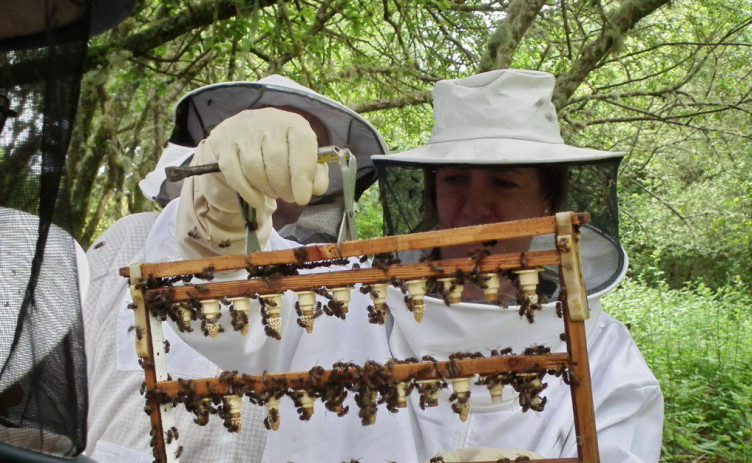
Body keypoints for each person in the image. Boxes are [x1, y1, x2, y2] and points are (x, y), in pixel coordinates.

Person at [148, 69, 663, 462]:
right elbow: (212, 305)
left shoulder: (604, 356)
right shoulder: (343, 306)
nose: (473, 209)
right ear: (431, 194)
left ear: (548, 203)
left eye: (504, 184)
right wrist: (215, 206)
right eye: (454, 181)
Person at [83, 75, 388, 462]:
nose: (276, 155)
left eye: (298, 146)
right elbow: (63, 377)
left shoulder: (325, 279)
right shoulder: (128, 238)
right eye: (266, 139)